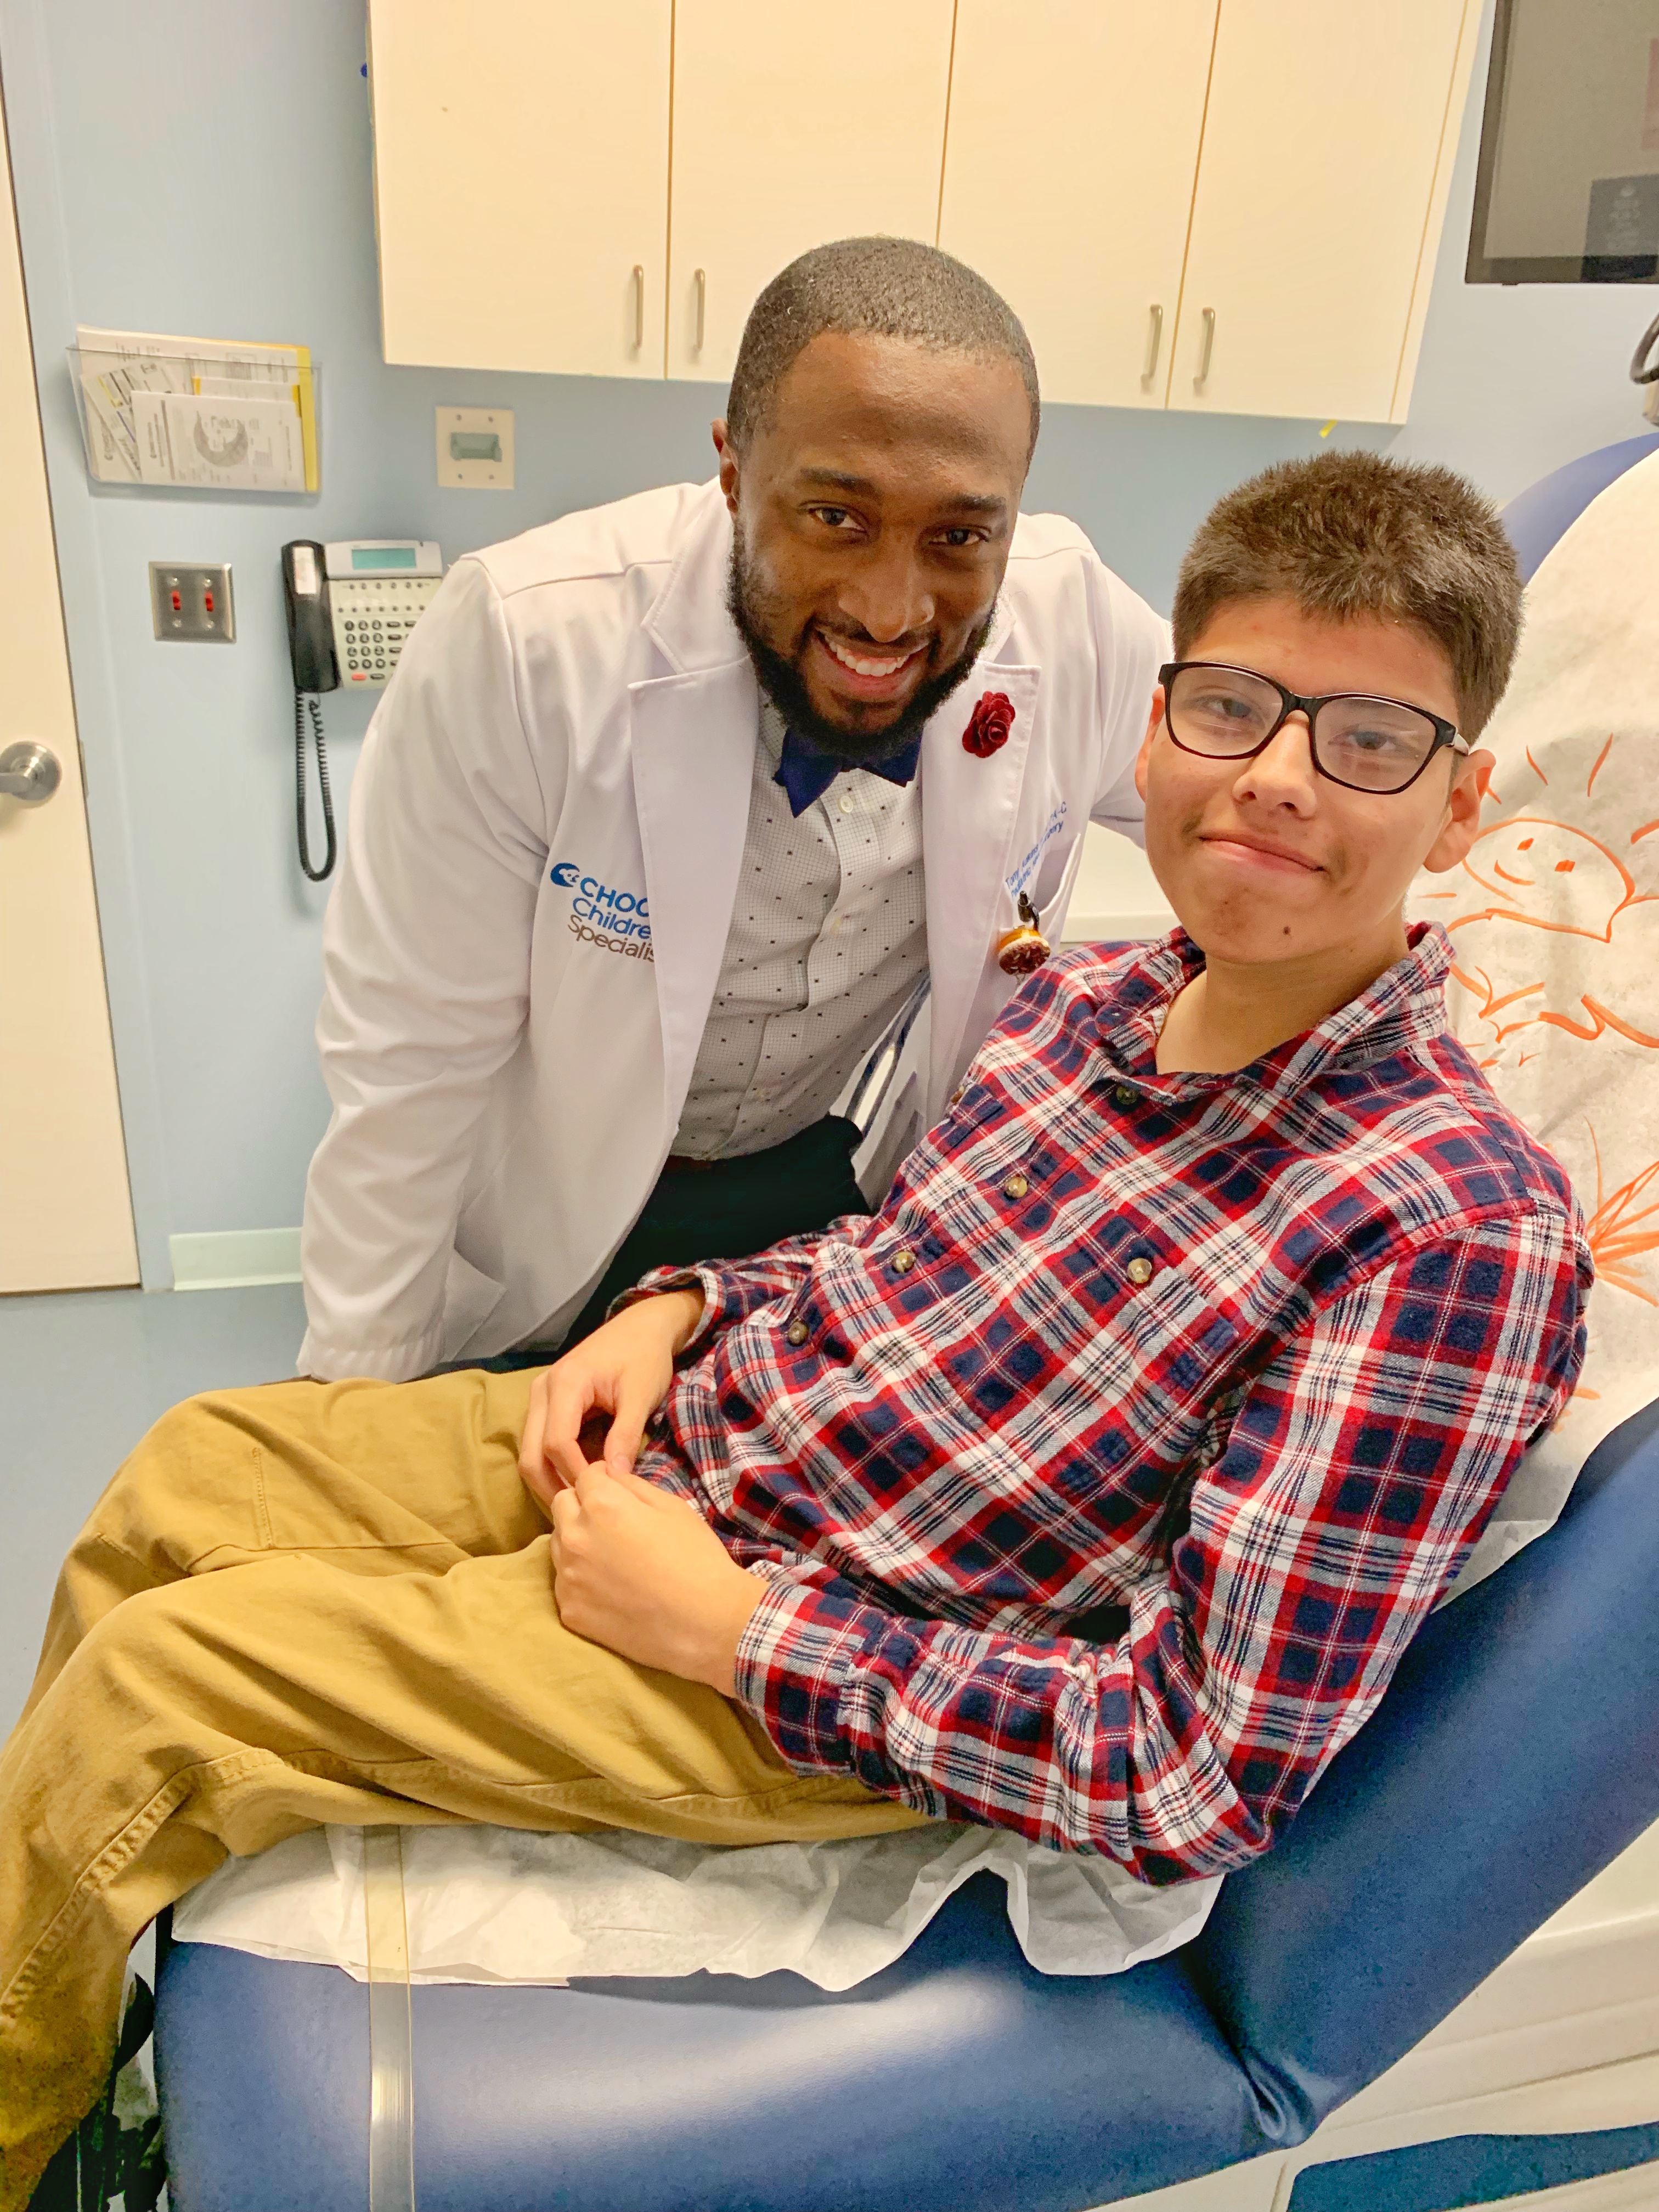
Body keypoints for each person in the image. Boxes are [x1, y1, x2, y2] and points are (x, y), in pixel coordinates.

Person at [0, 452, 1590, 2210]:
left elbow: (1190, 1766)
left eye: (1368, 739)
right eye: (1231, 706)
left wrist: (736, 1629)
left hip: (816, 1656)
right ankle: (71, 2032)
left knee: (157, 1698)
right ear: (1153, 730)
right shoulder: (1094, 1002)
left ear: (1461, 806)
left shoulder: (1447, 1228)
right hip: (686, 1438)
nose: (1278, 778)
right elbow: (887, 1262)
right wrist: (681, 1310)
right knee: (186, 1468)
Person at [298, 235, 1167, 1383]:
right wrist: (353, 1398)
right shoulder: (531, 642)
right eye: (835, 518)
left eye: (959, 536)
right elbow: (411, 1062)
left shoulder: (1077, 629)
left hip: (822, 1196)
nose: (892, 611)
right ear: (732, 472)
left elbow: (1260, 812)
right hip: (555, 1214)